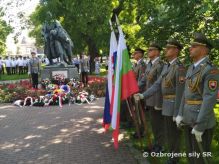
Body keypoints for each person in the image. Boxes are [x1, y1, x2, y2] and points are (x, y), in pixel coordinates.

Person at [134, 38, 186, 164]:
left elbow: (180, 92)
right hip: (166, 104)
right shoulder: (167, 66)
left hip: (172, 105)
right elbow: (157, 84)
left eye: (169, 48)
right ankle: (171, 156)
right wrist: (143, 95)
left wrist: (179, 112)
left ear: (176, 50)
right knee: (168, 132)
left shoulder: (179, 67)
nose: (166, 50)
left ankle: (174, 158)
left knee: (173, 133)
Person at [176, 33, 219, 164]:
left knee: (200, 158)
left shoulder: (211, 70)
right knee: (191, 156)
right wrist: (180, 113)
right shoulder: (191, 68)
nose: (190, 48)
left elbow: (209, 99)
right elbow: (185, 93)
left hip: (201, 120)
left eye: (194, 46)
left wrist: (200, 125)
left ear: (204, 49)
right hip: (188, 118)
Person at [138, 43, 164, 152]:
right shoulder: (149, 64)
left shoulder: (161, 64)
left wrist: (159, 103)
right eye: (148, 50)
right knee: (153, 123)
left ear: (157, 52)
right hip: (149, 98)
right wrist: (133, 88)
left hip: (157, 99)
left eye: (151, 50)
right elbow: (144, 80)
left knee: (159, 124)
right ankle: (155, 144)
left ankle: (160, 146)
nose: (148, 52)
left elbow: (159, 85)